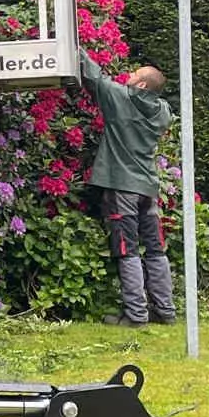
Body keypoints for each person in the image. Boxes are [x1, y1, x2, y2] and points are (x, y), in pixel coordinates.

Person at [80, 51, 177, 327]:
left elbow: (95, 77)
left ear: (142, 85)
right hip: (148, 187)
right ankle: (165, 311)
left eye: (135, 74)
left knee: (128, 249)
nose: (129, 76)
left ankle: (136, 316)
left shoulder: (121, 98)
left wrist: (76, 47)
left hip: (122, 186)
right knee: (156, 249)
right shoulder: (163, 112)